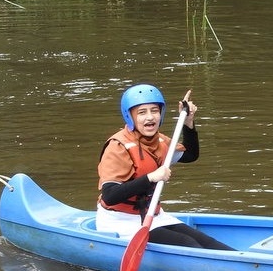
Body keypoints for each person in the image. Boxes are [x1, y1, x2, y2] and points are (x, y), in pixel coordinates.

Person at [96, 84, 234, 250]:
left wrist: (188, 123)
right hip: (121, 221)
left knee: (209, 243)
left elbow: (190, 155)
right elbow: (110, 196)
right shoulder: (118, 147)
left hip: (153, 215)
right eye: (142, 112)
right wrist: (151, 177)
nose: (150, 117)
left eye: (154, 110)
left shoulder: (159, 141)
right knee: (188, 245)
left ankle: (246, 268)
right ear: (129, 116)